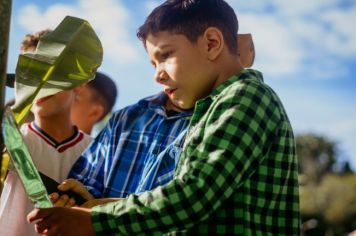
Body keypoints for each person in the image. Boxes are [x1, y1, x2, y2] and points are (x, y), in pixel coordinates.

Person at [29, 1, 300, 234]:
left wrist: (96, 220)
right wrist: (87, 204)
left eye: (166, 56)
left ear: (212, 43)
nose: (157, 74)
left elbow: (195, 194)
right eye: (153, 63)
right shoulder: (142, 114)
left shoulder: (248, 97)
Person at [0, 27, 96, 235]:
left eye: (50, 75)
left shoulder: (99, 151)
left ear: (77, 83)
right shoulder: (8, 141)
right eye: (29, 75)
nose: (39, 85)